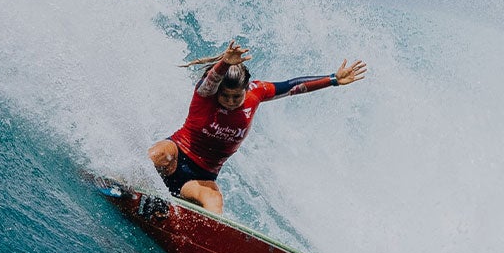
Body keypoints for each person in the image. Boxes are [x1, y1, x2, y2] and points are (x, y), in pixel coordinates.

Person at [148, 40, 367, 214]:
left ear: (246, 89)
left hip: (201, 176)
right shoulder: (206, 93)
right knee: (158, 154)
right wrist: (224, 62)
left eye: (237, 96)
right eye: (226, 96)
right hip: (177, 156)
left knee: (214, 200)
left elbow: (292, 86)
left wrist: (333, 79)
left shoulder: (257, 93)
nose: (231, 101)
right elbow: (214, 78)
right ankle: (133, 186)